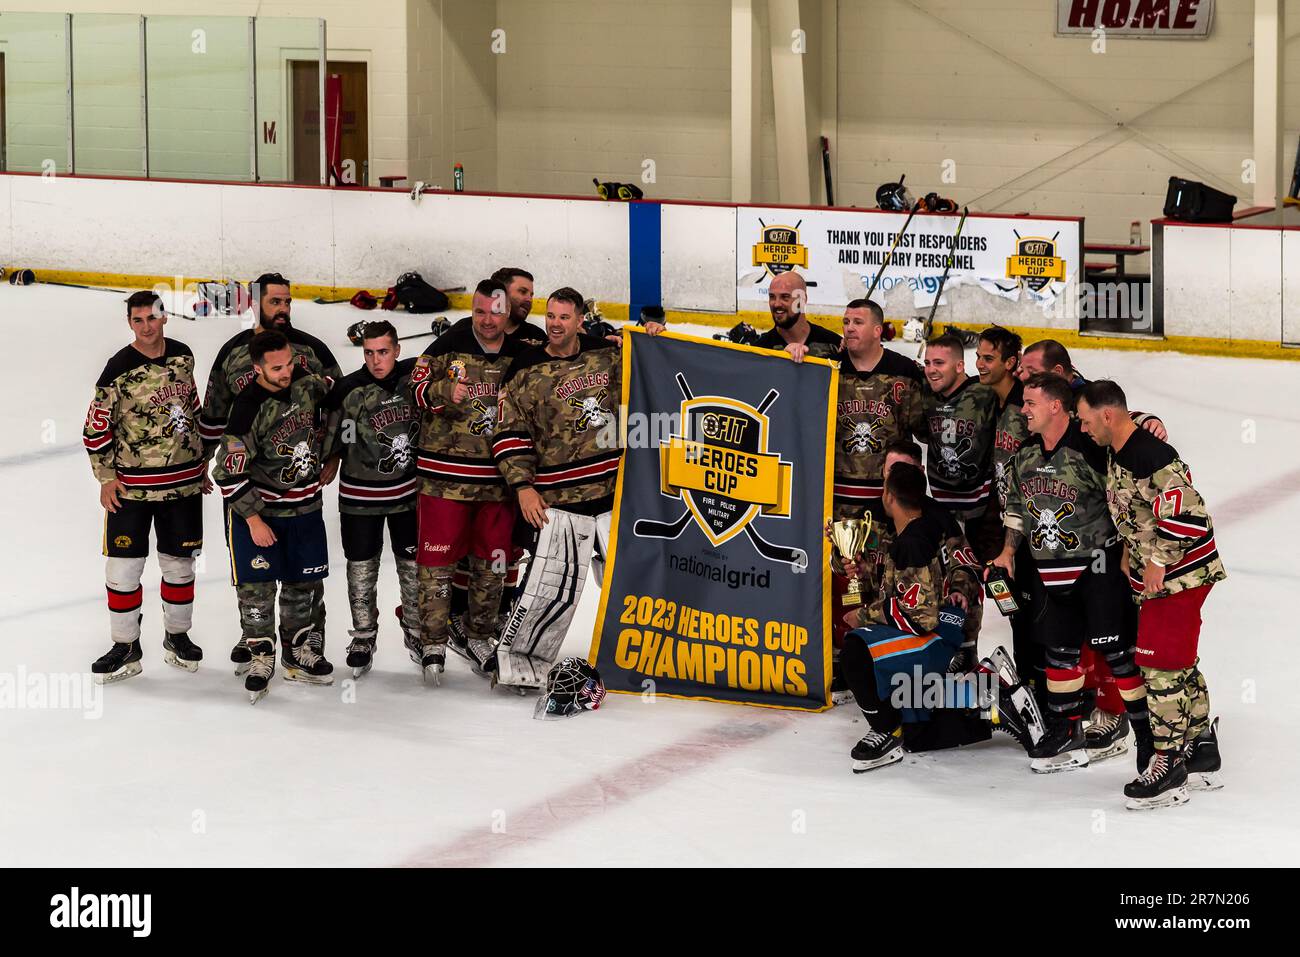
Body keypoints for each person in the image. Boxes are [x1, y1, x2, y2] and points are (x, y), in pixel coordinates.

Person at [992, 374, 1152, 774]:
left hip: (1098, 567)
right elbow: (1015, 507)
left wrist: (1132, 551)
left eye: (1030, 403)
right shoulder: (1026, 455)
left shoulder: (1091, 449)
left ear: (1055, 407)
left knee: (1118, 653)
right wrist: (1008, 551)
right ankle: (1067, 729)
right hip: (1048, 571)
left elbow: (1124, 499)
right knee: (1058, 652)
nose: (1022, 410)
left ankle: (1146, 735)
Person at [1077, 380, 1226, 810]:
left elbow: (1190, 514)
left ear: (1107, 416)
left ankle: (1168, 762)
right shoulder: (1118, 449)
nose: (1083, 428)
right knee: (1178, 663)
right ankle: (1200, 748)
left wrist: (1158, 560)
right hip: (1160, 577)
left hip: (1180, 577)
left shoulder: (1150, 456)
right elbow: (1134, 512)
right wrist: (1130, 552)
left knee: (1159, 668)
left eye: (1087, 420)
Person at [199, 272, 342, 672]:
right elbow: (213, 414)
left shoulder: (311, 351)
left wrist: (333, 454)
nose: (283, 309)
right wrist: (201, 464)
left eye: (287, 302)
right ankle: (256, 637)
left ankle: (305, 643)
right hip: (253, 488)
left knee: (305, 574)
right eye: (275, 301)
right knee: (253, 570)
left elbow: (340, 403)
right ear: (256, 302)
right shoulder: (233, 354)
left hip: (300, 488)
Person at [839, 463, 1015, 771]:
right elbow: (909, 588)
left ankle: (884, 729)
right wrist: (859, 570)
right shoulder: (923, 527)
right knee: (918, 733)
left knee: (856, 648)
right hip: (943, 630)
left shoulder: (914, 539)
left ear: (889, 495)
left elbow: (922, 615)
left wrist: (865, 616)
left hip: (934, 638)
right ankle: (991, 700)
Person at [491, 287, 624, 688]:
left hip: (615, 493)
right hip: (558, 500)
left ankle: (647, 659)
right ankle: (522, 665)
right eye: (550, 316)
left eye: (564, 317)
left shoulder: (609, 355)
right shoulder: (525, 369)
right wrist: (522, 488)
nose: (554, 324)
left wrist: (649, 335)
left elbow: (657, 375)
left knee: (633, 581)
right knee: (550, 587)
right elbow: (507, 433)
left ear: (580, 320)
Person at [85, 291, 208, 682]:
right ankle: (125, 645)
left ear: (164, 317)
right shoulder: (117, 369)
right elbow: (95, 429)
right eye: (137, 320)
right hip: (132, 490)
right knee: (123, 570)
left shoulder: (184, 356)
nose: (146, 326)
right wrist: (106, 477)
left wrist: (200, 462)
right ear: (130, 323)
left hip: (183, 486)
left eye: (152, 318)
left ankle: (178, 636)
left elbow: (192, 411)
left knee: (179, 566)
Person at [410, 279, 528, 681]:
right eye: (479, 311)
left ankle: (480, 633)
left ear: (507, 310)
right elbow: (416, 389)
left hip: (498, 481)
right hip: (444, 479)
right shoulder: (448, 344)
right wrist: (443, 389)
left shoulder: (524, 352)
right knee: (436, 564)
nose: (487, 319)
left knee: (492, 564)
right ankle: (431, 641)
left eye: (495, 311)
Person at [212, 330, 337, 703]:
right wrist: (253, 520)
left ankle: (298, 654)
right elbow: (226, 472)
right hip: (263, 516)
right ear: (258, 368)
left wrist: (333, 454)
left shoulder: (307, 385)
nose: (287, 372)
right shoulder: (248, 407)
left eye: (290, 363)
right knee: (257, 592)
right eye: (277, 368)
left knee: (303, 589)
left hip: (306, 509)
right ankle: (261, 657)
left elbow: (340, 392)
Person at [322, 321, 420, 677]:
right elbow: (329, 431)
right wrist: (331, 455)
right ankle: (363, 634)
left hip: (408, 495)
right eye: (369, 353)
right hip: (359, 497)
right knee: (361, 567)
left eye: (383, 352)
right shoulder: (349, 390)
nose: (376, 360)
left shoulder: (416, 378)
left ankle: (416, 630)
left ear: (396, 349)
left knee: (412, 567)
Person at [754, 271, 842, 358]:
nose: (777, 304)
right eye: (772, 297)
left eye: (785, 297)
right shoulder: (759, 352)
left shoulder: (834, 346)